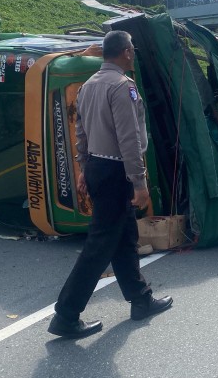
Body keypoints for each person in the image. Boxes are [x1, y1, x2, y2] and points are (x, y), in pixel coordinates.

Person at [48, 31, 172, 339]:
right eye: (133, 49)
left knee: (124, 236)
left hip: (96, 166)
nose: (134, 54)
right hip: (116, 171)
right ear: (127, 52)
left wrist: (83, 168)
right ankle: (66, 314)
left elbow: (81, 130)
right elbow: (128, 140)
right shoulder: (122, 87)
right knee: (100, 244)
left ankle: (140, 298)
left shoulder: (89, 85)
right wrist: (140, 182)